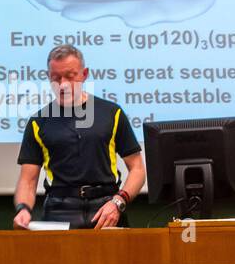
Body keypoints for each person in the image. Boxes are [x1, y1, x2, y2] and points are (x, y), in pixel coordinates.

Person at [13, 44, 144, 229]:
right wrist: (23, 209)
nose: (63, 84)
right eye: (56, 78)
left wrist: (118, 202)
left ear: (84, 74)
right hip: (59, 211)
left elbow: (137, 169)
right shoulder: (38, 122)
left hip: (106, 208)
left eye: (70, 76)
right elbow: (28, 179)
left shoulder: (111, 113)